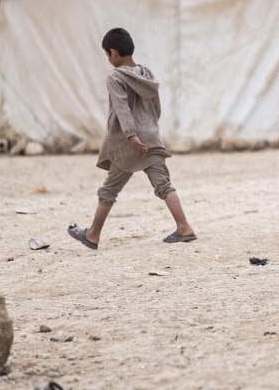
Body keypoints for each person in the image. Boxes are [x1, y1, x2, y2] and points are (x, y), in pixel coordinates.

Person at [68, 28, 196, 249]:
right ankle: (184, 227)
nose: (108, 59)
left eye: (107, 55)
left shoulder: (115, 78)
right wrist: (150, 128)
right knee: (164, 185)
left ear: (114, 52)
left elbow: (122, 109)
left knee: (109, 190)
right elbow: (156, 106)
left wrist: (132, 135)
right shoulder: (146, 74)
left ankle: (92, 234)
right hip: (152, 137)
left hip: (128, 144)